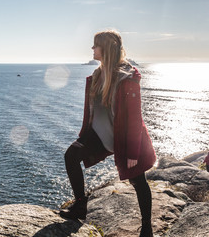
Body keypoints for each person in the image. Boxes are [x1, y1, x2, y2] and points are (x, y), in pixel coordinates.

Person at [59, 30, 156, 237]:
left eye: (96, 45)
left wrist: (133, 152)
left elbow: (134, 118)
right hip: (99, 137)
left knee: (139, 182)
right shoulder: (97, 75)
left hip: (125, 138)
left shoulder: (128, 78)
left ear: (107, 48)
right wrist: (84, 135)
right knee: (71, 155)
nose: (92, 49)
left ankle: (147, 227)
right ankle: (80, 205)